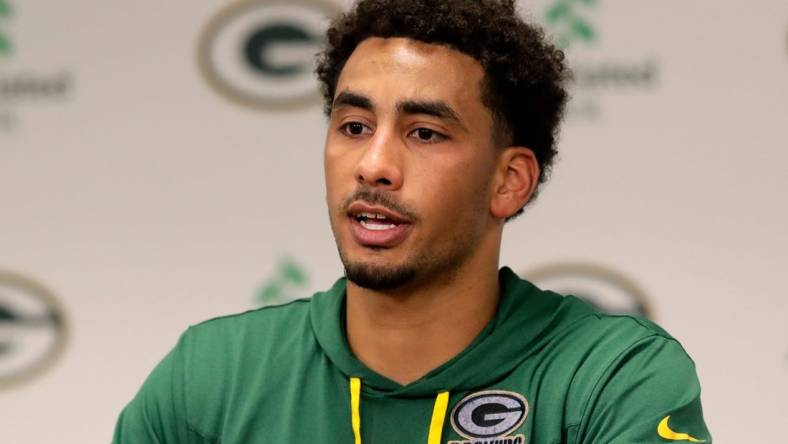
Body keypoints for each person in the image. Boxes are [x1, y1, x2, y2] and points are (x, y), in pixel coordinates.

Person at [113, 0, 712, 442]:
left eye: (424, 133)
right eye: (354, 127)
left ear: (510, 181)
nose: (374, 166)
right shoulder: (211, 374)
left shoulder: (611, 378)